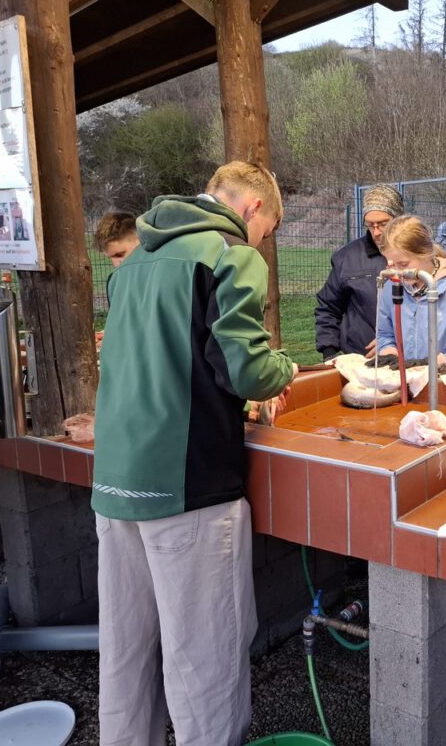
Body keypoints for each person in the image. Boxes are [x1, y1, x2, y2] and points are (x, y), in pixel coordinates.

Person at [91, 161, 296, 746]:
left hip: (114, 483)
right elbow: (244, 368)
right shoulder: (229, 253)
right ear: (254, 208)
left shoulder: (134, 263)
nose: (262, 242)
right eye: (267, 231)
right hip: (187, 484)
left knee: (125, 651)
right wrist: (283, 368)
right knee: (206, 659)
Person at [375, 215, 446, 366]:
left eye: (403, 264)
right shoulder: (392, 288)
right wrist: (389, 353)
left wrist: (435, 362)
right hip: (403, 376)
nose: (397, 272)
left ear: (425, 254)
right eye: (391, 264)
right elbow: (384, 333)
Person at [315, 184, 403, 360]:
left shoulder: (419, 255)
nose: (376, 232)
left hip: (410, 359)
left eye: (383, 224)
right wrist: (329, 353)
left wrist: (390, 340)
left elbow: (433, 313)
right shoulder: (346, 258)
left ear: (399, 219)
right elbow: (328, 308)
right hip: (359, 359)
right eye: (370, 225)